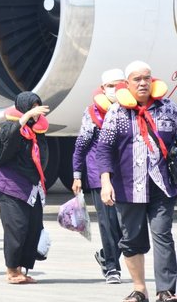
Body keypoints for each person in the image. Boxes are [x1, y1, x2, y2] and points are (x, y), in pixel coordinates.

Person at [98, 61, 177, 302]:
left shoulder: (168, 108)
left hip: (162, 185)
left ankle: (166, 290)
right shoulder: (117, 112)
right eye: (137, 79)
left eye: (147, 78)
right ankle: (139, 288)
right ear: (127, 84)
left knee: (163, 234)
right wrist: (105, 182)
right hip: (128, 186)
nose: (143, 83)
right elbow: (104, 149)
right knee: (131, 238)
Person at [0, 91, 50, 284]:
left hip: (32, 186)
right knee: (16, 227)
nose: (36, 111)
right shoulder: (11, 128)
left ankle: (22, 269)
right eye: (32, 107)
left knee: (32, 227)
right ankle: (11, 270)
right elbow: (7, 144)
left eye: (37, 107)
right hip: (11, 185)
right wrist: (25, 118)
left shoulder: (38, 132)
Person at [72, 68, 125, 284]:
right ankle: (112, 268)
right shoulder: (93, 113)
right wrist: (77, 175)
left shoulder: (130, 110)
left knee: (127, 227)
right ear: (103, 88)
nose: (116, 89)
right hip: (98, 175)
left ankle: (105, 255)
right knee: (108, 223)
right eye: (111, 85)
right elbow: (81, 145)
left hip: (125, 175)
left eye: (120, 84)